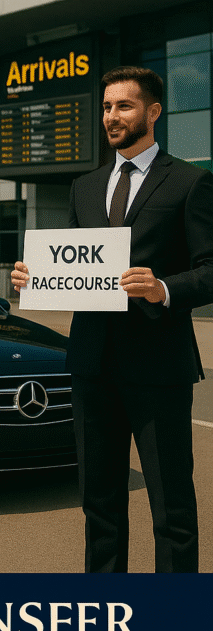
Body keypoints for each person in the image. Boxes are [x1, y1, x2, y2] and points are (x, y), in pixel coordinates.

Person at [12, 66, 213, 572]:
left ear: (153, 111)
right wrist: (33, 276)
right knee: (99, 504)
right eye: (106, 107)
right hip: (92, 367)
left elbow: (211, 270)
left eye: (123, 105)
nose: (111, 116)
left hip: (159, 368)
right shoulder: (84, 187)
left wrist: (164, 288)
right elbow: (77, 265)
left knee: (171, 507)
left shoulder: (189, 182)